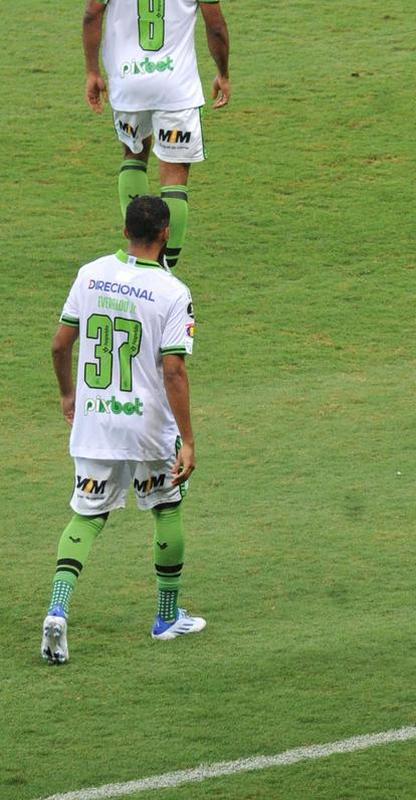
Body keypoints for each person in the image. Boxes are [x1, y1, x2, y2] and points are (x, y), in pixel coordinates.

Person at [42, 196, 203, 666]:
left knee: (87, 516)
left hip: (96, 422)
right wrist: (188, 439)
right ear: (166, 234)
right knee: (166, 506)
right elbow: (173, 371)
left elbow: (58, 345)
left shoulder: (90, 273)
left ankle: (57, 609)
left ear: (124, 228)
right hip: (148, 428)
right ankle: (167, 617)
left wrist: (69, 394)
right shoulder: (173, 291)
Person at [83, 0, 231, 269]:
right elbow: (216, 26)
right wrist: (223, 73)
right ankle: (167, 267)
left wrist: (92, 71)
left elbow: (92, 12)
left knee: (134, 154)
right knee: (174, 174)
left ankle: (138, 250)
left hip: (128, 82)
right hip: (177, 88)